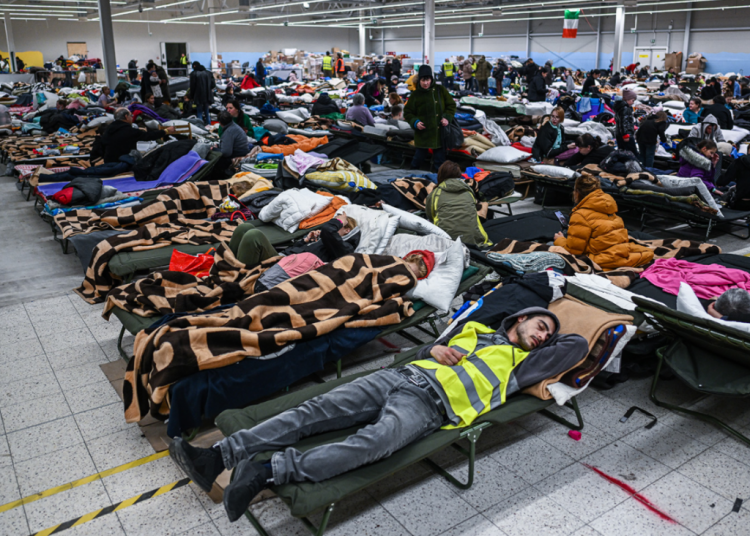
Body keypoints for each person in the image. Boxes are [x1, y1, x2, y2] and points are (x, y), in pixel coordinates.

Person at [170, 292, 588, 522]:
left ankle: (264, 470)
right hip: (400, 378)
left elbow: (578, 345)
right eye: (539, 326)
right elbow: (424, 349)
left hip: (430, 409)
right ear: (517, 319)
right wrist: (438, 348)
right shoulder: (474, 329)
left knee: (375, 442)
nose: (542, 336)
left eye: (547, 335)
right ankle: (219, 456)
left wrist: (557, 308)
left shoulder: (523, 366)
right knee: (312, 412)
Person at [554, 175, 654, 269]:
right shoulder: (609, 207)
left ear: (577, 192)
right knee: (648, 253)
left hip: (601, 259)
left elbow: (573, 251)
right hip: (620, 252)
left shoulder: (580, 215)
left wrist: (559, 240)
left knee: (553, 248)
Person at [229, 213, 358, 267]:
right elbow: (292, 250)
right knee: (244, 227)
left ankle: (239, 275)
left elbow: (328, 230)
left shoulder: (345, 248)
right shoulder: (324, 240)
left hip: (282, 266)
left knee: (254, 235)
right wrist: (305, 241)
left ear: (346, 230)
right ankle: (228, 267)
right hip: (281, 257)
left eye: (338, 224)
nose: (334, 224)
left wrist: (341, 220)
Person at [403, 65, 456, 171]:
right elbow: (408, 112)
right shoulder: (416, 95)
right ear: (419, 81)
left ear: (431, 79)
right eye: (423, 80)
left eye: (428, 80)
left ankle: (438, 183)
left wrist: (446, 117)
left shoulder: (440, 90)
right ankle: (410, 181)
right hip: (423, 134)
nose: (426, 83)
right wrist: (415, 122)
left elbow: (451, 105)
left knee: (439, 162)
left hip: (439, 133)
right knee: (417, 160)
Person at [425, 161, 490, 246]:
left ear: (440, 175)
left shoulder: (435, 194)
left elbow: (431, 216)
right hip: (472, 240)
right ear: (459, 175)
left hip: (446, 241)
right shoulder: (468, 191)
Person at [91, 108, 174, 163]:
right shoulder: (128, 130)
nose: (132, 117)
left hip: (108, 161)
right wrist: (166, 131)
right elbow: (148, 136)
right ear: (126, 117)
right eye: (131, 115)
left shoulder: (109, 129)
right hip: (122, 162)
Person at [189, 61, 215, 126]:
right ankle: (209, 126)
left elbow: (192, 87)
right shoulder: (209, 73)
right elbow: (213, 85)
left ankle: (200, 126)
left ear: (194, 66)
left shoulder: (193, 74)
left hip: (198, 96)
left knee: (199, 112)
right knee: (207, 111)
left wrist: (191, 96)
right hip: (207, 95)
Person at [615, 89, 638, 157]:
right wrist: (625, 135)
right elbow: (623, 122)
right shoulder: (625, 109)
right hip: (626, 136)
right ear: (627, 99)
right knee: (632, 155)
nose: (633, 102)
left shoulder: (620, 107)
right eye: (632, 100)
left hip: (620, 134)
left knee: (622, 153)